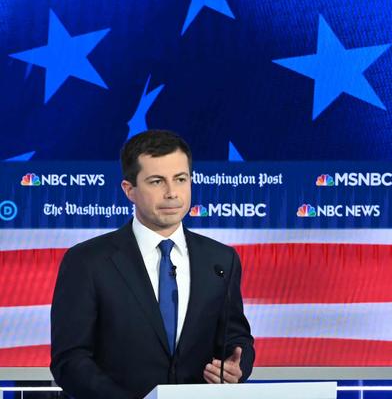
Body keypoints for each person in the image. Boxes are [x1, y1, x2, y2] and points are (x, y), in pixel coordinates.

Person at [50, 130, 255, 399]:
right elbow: (70, 360)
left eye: (180, 179)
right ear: (129, 190)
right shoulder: (87, 261)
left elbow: (236, 337)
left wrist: (236, 368)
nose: (172, 193)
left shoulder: (220, 260)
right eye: (157, 181)